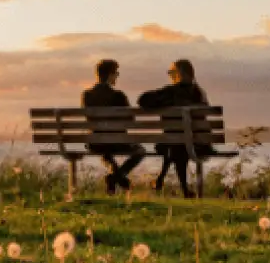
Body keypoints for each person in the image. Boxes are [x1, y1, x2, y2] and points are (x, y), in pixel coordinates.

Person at [137, 59, 211, 198]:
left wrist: (162, 104)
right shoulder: (200, 93)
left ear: (180, 73)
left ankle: (163, 180)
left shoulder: (169, 92)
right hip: (200, 145)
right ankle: (180, 188)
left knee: (173, 146)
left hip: (174, 143)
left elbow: (142, 100)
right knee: (177, 146)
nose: (170, 75)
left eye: (171, 72)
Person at [81, 59, 145, 194]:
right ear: (110, 75)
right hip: (118, 142)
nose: (116, 76)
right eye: (116, 73)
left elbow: (89, 119)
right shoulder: (119, 96)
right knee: (140, 151)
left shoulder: (86, 95)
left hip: (96, 143)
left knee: (105, 151)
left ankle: (116, 177)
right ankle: (117, 177)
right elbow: (131, 120)